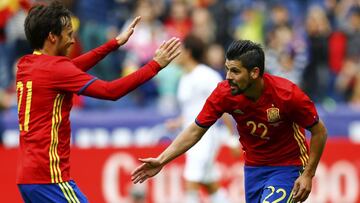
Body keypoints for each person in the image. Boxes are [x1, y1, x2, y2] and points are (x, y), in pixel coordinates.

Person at [16, 1, 180, 203]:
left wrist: (114, 44)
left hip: (28, 178)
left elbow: (72, 67)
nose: (72, 40)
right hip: (50, 177)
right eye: (68, 33)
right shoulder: (56, 70)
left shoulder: (27, 64)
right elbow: (110, 91)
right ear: (52, 36)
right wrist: (154, 65)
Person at [132, 39, 327, 203]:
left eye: (235, 71)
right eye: (227, 69)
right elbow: (195, 130)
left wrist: (308, 174)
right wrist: (162, 160)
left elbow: (319, 131)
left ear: (254, 72)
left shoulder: (287, 94)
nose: (228, 77)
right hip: (253, 168)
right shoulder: (224, 93)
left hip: (288, 166)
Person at [165, 35, 238, 203]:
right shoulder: (184, 77)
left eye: (180, 50)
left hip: (204, 138)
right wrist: (178, 122)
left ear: (188, 52)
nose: (177, 54)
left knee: (191, 183)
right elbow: (193, 109)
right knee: (211, 185)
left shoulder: (207, 75)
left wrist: (232, 137)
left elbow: (224, 106)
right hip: (190, 136)